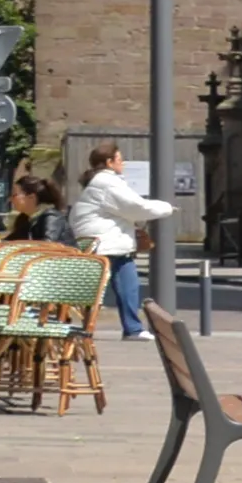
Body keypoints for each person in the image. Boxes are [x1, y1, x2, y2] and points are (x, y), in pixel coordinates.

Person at [74, 143, 171, 340]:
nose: (123, 163)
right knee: (109, 290)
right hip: (106, 245)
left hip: (103, 243)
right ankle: (130, 329)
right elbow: (136, 207)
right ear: (109, 162)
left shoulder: (99, 182)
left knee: (122, 286)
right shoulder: (108, 183)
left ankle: (130, 328)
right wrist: (167, 207)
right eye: (119, 159)